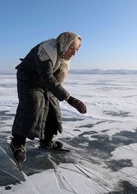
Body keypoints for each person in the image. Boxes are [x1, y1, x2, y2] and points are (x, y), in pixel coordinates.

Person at [10, 31, 87, 163]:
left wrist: (60, 94)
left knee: (53, 106)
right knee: (33, 105)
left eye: (76, 49)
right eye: (71, 48)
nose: (73, 53)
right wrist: (70, 99)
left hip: (44, 81)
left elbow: (54, 81)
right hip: (28, 79)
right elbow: (48, 79)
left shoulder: (63, 58)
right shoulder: (46, 51)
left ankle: (46, 141)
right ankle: (17, 143)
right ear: (64, 44)